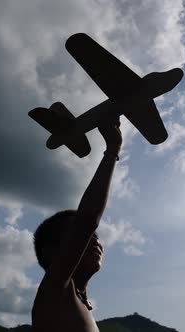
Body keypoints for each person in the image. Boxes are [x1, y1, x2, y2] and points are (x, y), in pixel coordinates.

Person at [31, 117, 122, 332]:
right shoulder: (54, 293)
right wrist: (112, 150)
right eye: (80, 237)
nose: (93, 241)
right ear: (52, 253)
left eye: (95, 237)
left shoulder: (81, 302)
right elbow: (87, 220)